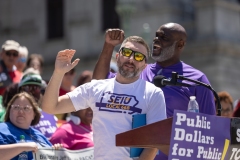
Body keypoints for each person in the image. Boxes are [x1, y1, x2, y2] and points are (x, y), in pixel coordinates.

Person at [92, 24, 216, 160]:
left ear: (180, 45)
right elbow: (98, 84)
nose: (156, 40)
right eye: (156, 35)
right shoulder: (138, 70)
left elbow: (208, 130)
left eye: (164, 37)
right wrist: (109, 46)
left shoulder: (197, 80)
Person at [41, 36, 167, 159]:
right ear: (117, 57)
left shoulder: (153, 93)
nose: (131, 59)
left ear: (144, 65)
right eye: (127, 52)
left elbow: (154, 141)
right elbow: (50, 107)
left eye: (138, 56)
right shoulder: (96, 87)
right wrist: (58, 73)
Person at [0, 92, 62, 160]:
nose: (21, 111)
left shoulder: (39, 135)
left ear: (34, 114)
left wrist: (56, 153)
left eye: (26, 108)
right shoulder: (2, 129)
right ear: (9, 111)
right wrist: (23, 147)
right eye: (16, 107)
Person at [18, 73, 58, 139]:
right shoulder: (15, 114)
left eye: (36, 88)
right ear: (20, 91)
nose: (32, 92)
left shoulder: (50, 113)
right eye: (28, 88)